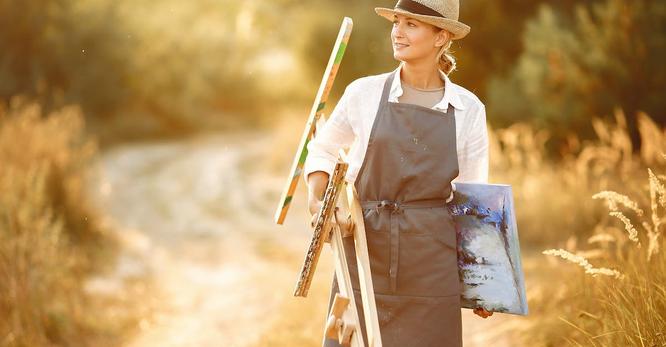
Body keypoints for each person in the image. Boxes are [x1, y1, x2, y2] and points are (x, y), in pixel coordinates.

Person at [303, 0, 492, 345]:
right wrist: (318, 199)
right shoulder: (364, 92)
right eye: (396, 22)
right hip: (364, 248)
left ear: (441, 37)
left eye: (411, 25)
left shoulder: (467, 109)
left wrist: (484, 281)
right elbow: (323, 149)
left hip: (431, 260)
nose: (397, 33)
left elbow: (473, 198)